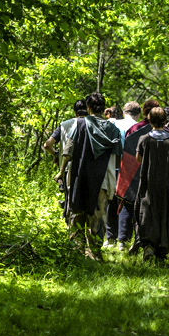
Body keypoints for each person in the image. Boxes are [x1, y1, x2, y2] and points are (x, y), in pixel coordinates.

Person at [61, 91, 122, 260]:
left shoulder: (80, 124)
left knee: (76, 213)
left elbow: (68, 150)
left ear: (88, 108)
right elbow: (117, 157)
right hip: (102, 178)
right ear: (103, 109)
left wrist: (61, 171)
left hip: (79, 176)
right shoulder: (112, 129)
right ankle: (94, 252)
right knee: (97, 217)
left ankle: (76, 251)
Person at [134, 106, 169, 262]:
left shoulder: (144, 139)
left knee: (147, 211)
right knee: (166, 212)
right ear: (165, 121)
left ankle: (148, 244)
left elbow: (138, 159)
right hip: (168, 183)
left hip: (148, 183)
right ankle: (161, 250)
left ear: (150, 120)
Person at [114, 98, 160, 252]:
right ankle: (144, 240)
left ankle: (123, 240)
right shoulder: (162, 130)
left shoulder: (135, 128)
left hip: (132, 171)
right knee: (148, 206)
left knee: (128, 203)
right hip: (152, 174)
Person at [105, 101, 141, 250]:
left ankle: (110, 237)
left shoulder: (113, 123)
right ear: (138, 114)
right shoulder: (140, 128)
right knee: (127, 203)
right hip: (131, 170)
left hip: (113, 166)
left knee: (111, 201)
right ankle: (123, 239)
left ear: (124, 112)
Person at [44, 99, 87, 213]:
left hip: (68, 168)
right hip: (88, 167)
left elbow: (47, 145)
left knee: (71, 201)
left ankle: (71, 227)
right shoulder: (91, 124)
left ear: (75, 112)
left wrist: (57, 154)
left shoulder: (64, 125)